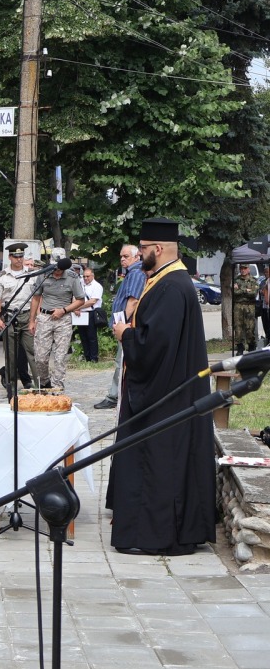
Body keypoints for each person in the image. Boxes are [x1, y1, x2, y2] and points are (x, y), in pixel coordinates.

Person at [108, 217, 214, 556]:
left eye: (142, 250)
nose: (139, 256)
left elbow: (155, 346)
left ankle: (154, 534)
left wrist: (126, 335)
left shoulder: (172, 286)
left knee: (158, 461)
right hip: (170, 387)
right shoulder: (167, 281)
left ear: (158, 248)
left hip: (165, 395)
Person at [93, 245, 145, 410]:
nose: (122, 259)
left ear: (137, 257)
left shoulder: (136, 273)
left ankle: (114, 396)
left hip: (127, 326)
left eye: (126, 256)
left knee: (120, 361)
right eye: (121, 256)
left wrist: (122, 325)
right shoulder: (131, 272)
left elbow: (133, 301)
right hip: (126, 325)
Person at [28, 256, 87, 390]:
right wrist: (32, 320)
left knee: (60, 358)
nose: (57, 272)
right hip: (44, 317)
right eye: (55, 269)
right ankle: (44, 382)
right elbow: (36, 298)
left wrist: (64, 310)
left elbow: (80, 300)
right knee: (40, 358)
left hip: (63, 319)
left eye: (60, 269)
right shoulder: (43, 275)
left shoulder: (72, 277)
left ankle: (57, 388)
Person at [0, 243, 39, 394]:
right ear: (10, 257)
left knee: (33, 352)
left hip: (27, 315)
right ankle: (11, 388)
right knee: (11, 355)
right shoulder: (2, 276)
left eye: (21, 256)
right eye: (16, 256)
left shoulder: (32, 274)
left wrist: (35, 318)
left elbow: (37, 297)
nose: (19, 259)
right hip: (10, 316)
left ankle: (39, 386)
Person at [72, 267, 103, 363]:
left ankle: (94, 358)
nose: (85, 278)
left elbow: (92, 301)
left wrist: (77, 307)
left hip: (91, 312)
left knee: (91, 337)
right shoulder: (80, 283)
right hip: (80, 313)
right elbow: (73, 295)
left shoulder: (97, 286)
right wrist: (75, 307)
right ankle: (87, 357)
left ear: (92, 276)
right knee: (83, 336)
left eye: (88, 276)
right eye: (84, 276)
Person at [232, 262, 259, 354]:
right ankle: (240, 347)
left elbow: (254, 293)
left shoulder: (253, 280)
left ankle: (251, 346)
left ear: (248, 269)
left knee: (250, 327)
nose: (243, 270)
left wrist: (240, 290)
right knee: (238, 326)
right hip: (238, 305)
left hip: (249, 306)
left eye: (244, 268)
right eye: (241, 268)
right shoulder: (236, 280)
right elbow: (235, 292)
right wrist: (246, 290)